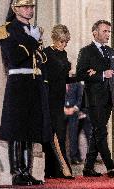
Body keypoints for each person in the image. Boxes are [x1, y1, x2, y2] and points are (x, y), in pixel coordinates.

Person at [0, 0, 48, 186]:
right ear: (15, 8)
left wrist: (33, 42)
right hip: (18, 83)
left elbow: (41, 57)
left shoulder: (33, 29)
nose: (29, 10)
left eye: (31, 7)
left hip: (34, 83)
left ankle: (27, 171)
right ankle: (17, 172)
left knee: (30, 129)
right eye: (25, 6)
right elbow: (15, 57)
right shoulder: (6, 29)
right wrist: (33, 40)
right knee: (17, 129)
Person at [76, 20, 114, 177]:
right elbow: (80, 74)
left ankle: (87, 168)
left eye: (109, 32)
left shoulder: (110, 51)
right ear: (95, 33)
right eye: (105, 31)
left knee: (97, 133)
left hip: (109, 99)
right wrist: (101, 74)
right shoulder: (86, 52)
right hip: (94, 99)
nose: (108, 34)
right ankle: (110, 166)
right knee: (101, 132)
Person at [42, 24, 75, 179]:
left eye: (65, 42)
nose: (63, 45)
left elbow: (65, 76)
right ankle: (58, 169)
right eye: (61, 41)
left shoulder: (63, 53)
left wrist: (81, 75)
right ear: (54, 39)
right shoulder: (46, 53)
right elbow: (47, 76)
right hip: (49, 97)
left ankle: (56, 170)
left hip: (60, 97)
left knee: (59, 132)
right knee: (52, 133)